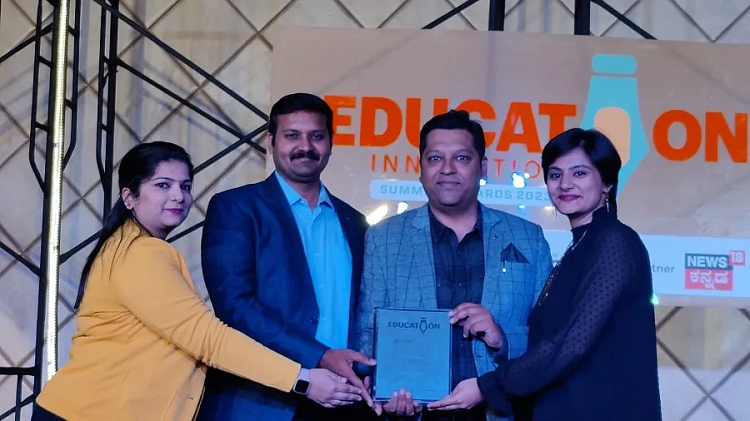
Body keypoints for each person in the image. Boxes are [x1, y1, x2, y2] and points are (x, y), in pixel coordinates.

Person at [31, 142, 363, 421]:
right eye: (163, 185)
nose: (178, 196)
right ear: (129, 197)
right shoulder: (143, 253)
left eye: (185, 186)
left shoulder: (127, 245)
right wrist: (302, 380)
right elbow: (209, 339)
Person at [426, 128, 662, 420]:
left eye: (579, 173)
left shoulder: (613, 241)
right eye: (555, 174)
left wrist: (487, 386)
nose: (565, 184)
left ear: (607, 182)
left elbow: (571, 344)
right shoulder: (580, 246)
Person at [357, 110, 553, 421]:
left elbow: (551, 339)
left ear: (482, 167)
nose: (447, 169)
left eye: (461, 158)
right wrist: (382, 386)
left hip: (501, 412)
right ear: (420, 168)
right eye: (435, 158)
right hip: (416, 414)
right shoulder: (384, 238)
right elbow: (369, 331)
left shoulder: (527, 238)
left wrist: (503, 339)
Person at [196, 93, 378, 421]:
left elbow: (365, 312)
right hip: (259, 402)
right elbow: (235, 306)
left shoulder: (355, 222)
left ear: (331, 144)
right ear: (271, 142)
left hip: (343, 401)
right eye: (292, 135)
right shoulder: (236, 208)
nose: (305, 146)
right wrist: (320, 356)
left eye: (317, 136)